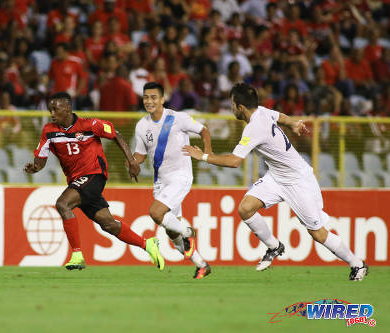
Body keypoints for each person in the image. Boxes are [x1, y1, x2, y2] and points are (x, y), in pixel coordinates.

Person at [183, 83, 368, 281]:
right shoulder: (262, 112)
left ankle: (357, 264)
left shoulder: (254, 128)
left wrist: (202, 156)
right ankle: (274, 246)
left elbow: (235, 162)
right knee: (246, 208)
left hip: (298, 181)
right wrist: (294, 124)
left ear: (240, 107)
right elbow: (279, 116)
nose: (232, 108)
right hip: (276, 176)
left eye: (232, 104)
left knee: (318, 233)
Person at [24, 92, 164, 271]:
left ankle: (77, 254)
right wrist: (35, 168)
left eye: (55, 109)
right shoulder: (49, 131)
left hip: (94, 175)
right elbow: (41, 160)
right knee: (108, 224)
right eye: (50, 110)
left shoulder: (90, 125)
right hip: (77, 182)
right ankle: (148, 244)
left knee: (62, 204)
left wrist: (131, 161)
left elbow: (116, 135)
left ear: (67, 108)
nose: (51, 114)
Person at [133, 82, 213, 279]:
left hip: (180, 176)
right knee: (171, 231)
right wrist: (131, 164)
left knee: (155, 212)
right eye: (146, 97)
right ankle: (202, 264)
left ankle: (188, 231)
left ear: (162, 99)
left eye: (153, 97)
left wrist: (207, 153)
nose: (149, 101)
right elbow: (140, 156)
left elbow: (204, 130)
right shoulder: (141, 125)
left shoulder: (178, 118)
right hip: (160, 181)